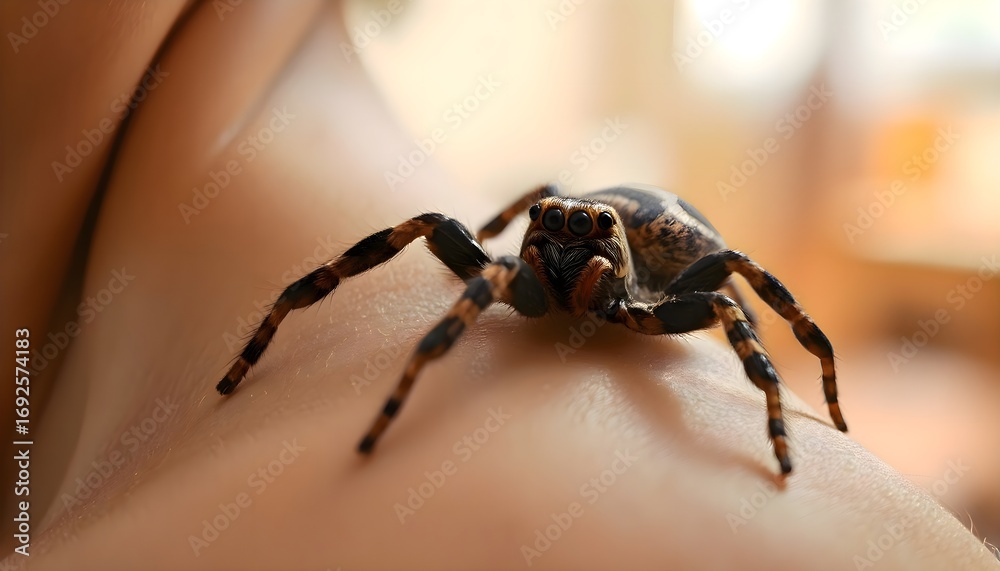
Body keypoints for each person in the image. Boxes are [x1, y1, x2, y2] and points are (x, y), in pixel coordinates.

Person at [2, 1, 996, 568]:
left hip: (664, 253)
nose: (556, 250)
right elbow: (483, 240)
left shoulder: (761, 528)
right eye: (543, 232)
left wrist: (788, 413)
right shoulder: (536, 248)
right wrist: (491, 237)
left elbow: (739, 294)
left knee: (733, 288)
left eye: (565, 235)